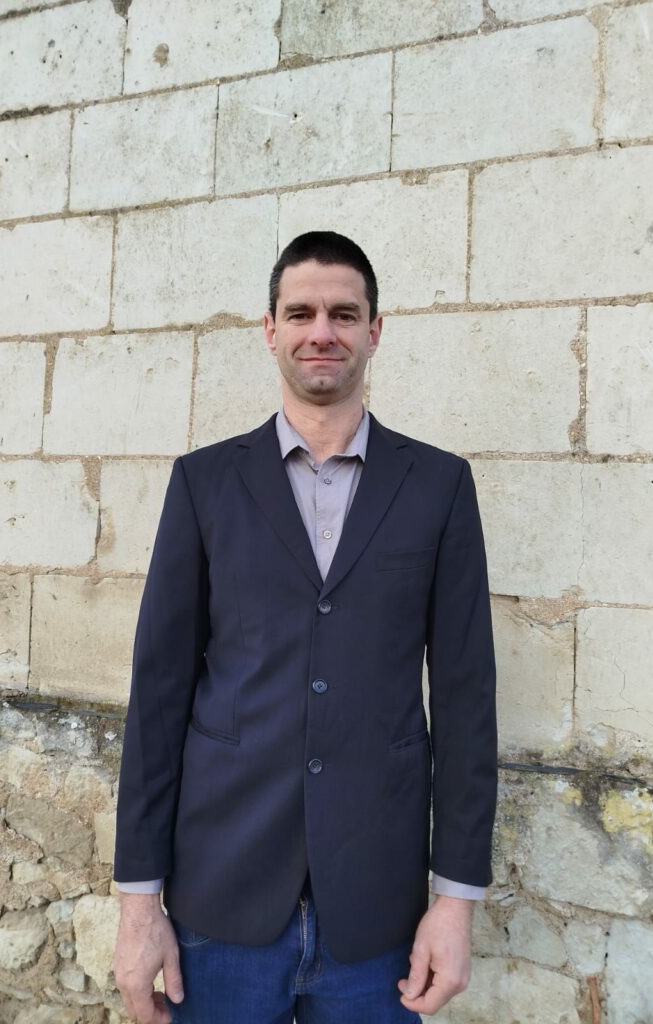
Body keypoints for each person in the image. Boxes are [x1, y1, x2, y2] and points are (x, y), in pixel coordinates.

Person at [112, 231, 498, 1024]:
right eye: (301, 313)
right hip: (220, 898)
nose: (322, 331)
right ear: (270, 329)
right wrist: (139, 905)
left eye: (343, 314)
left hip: (377, 912)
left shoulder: (440, 486)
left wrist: (455, 902)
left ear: (374, 331)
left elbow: (466, 700)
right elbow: (158, 696)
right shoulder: (203, 483)